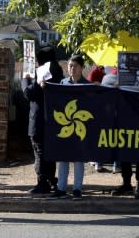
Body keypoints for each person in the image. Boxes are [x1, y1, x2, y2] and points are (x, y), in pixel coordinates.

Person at [23, 45, 64, 196]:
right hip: (53, 119)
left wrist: (25, 79)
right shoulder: (58, 72)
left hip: (39, 119)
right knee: (49, 153)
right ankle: (52, 180)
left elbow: (29, 93)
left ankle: (42, 183)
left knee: (39, 152)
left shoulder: (43, 72)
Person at [49, 55, 90, 200]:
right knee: (63, 157)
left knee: (79, 159)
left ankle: (77, 189)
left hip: (80, 126)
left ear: (82, 68)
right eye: (70, 66)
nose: (71, 68)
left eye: (74, 66)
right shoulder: (62, 82)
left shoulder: (88, 85)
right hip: (65, 125)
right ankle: (61, 188)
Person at [106, 73, 139, 199]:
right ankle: (127, 183)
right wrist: (116, 89)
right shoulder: (120, 81)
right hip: (125, 120)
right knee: (124, 152)